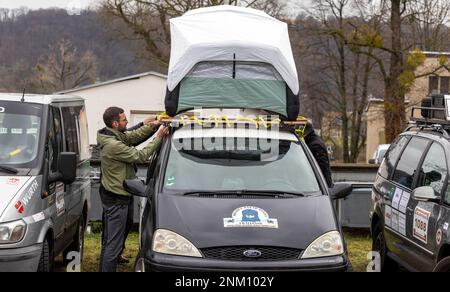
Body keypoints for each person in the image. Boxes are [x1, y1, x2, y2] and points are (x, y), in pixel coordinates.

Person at [97, 107, 169, 272]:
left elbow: (133, 135)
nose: (127, 122)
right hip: (116, 198)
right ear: (115, 123)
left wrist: (154, 125)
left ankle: (112, 260)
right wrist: (158, 137)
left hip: (121, 194)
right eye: (124, 120)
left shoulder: (114, 134)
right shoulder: (113, 145)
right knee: (112, 244)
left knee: (118, 235)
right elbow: (141, 156)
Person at [303, 122, 334, 188]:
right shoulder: (313, 142)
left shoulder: (315, 145)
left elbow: (322, 167)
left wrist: (324, 186)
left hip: (319, 185)